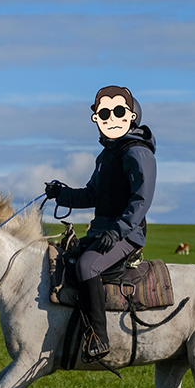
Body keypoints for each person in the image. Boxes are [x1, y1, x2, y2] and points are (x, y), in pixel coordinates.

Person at [45, 85, 156, 363]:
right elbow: (93, 195)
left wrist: (117, 232)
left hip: (126, 234)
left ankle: (98, 338)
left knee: (87, 266)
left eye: (118, 112)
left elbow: (141, 200)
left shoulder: (137, 153)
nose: (110, 118)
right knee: (69, 261)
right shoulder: (108, 155)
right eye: (104, 113)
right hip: (104, 231)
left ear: (131, 116)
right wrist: (63, 193)